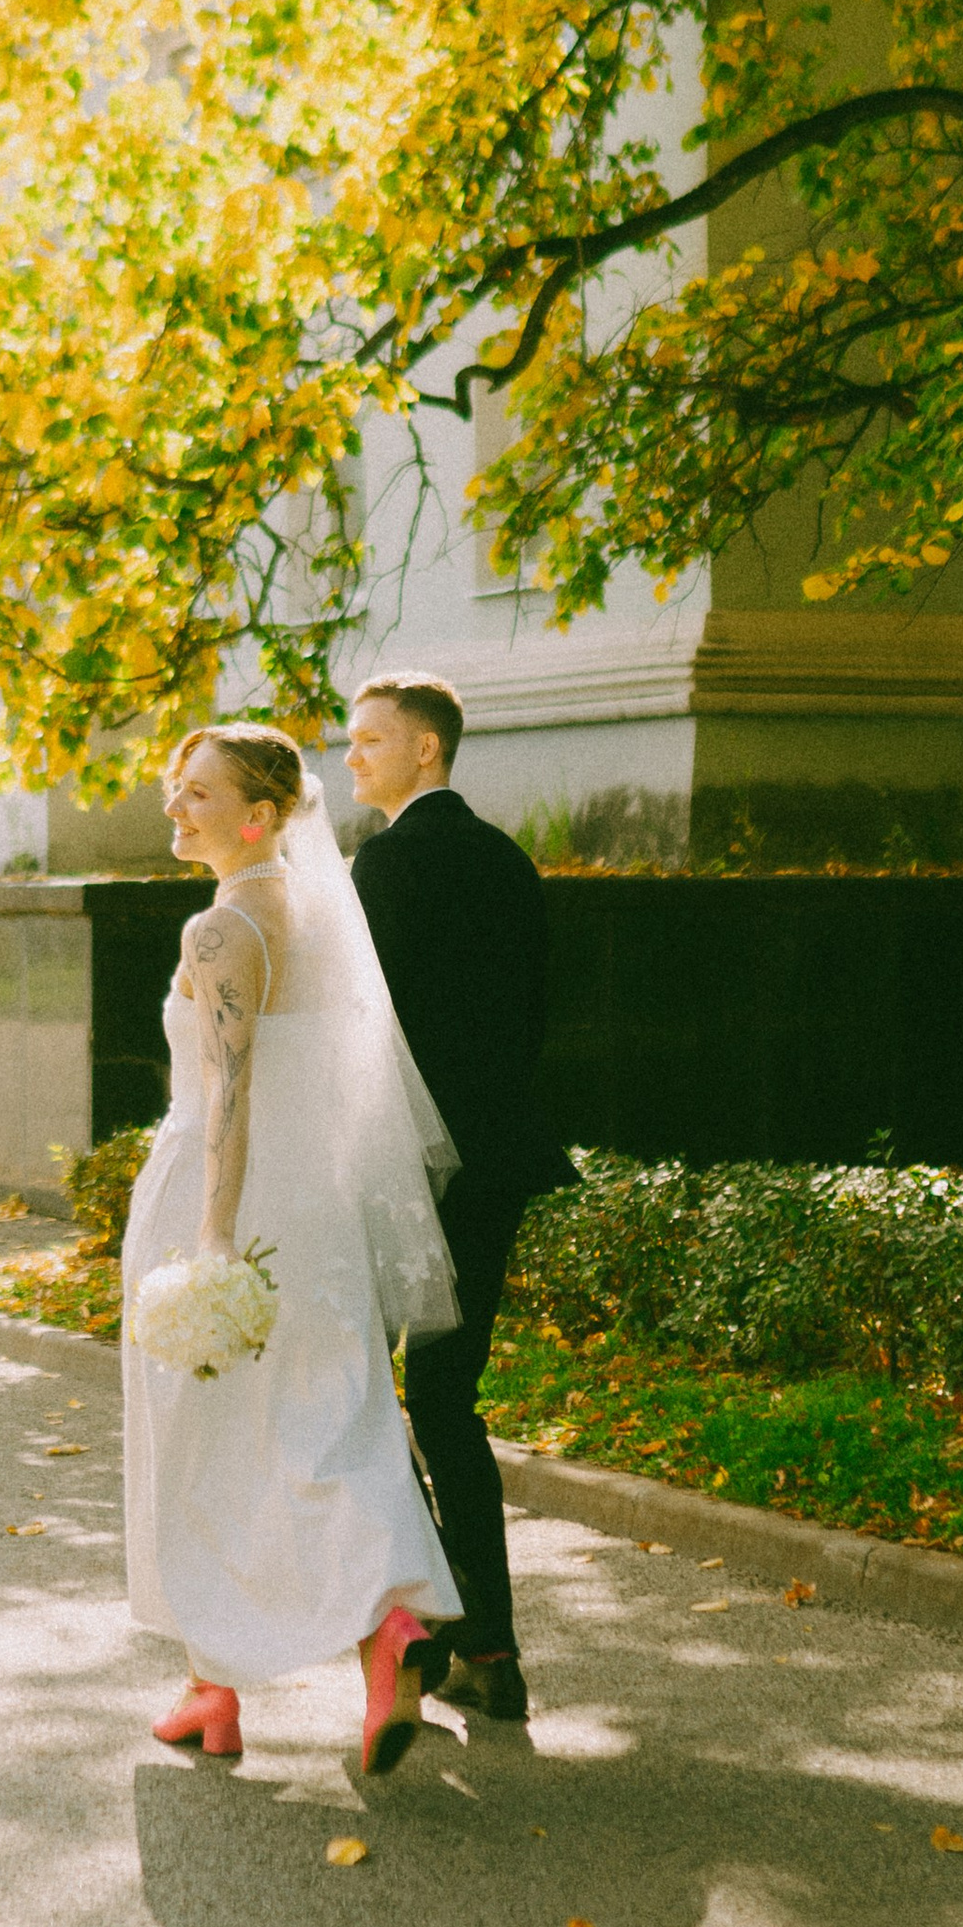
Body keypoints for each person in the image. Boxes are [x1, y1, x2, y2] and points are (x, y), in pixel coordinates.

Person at [120, 722, 464, 1777]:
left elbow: (229, 1092)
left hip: (225, 1198)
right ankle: (380, 1631)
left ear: (259, 815)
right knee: (335, 1419)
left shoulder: (225, 929)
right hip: (318, 1208)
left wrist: (213, 1237)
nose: (175, 807)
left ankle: (219, 1683)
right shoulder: (319, 914)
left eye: (199, 793)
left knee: (201, 1440)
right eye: (176, 787)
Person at [344, 672, 577, 1724]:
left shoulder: (388, 862)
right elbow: (532, 1011)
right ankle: (490, 1645)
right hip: (498, 1159)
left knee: (356, 1389)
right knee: (446, 1399)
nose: (353, 756)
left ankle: (429, 1623)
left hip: (406, 1165)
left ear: (425, 748)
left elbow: (365, 1025)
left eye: (370, 739)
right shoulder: (507, 857)